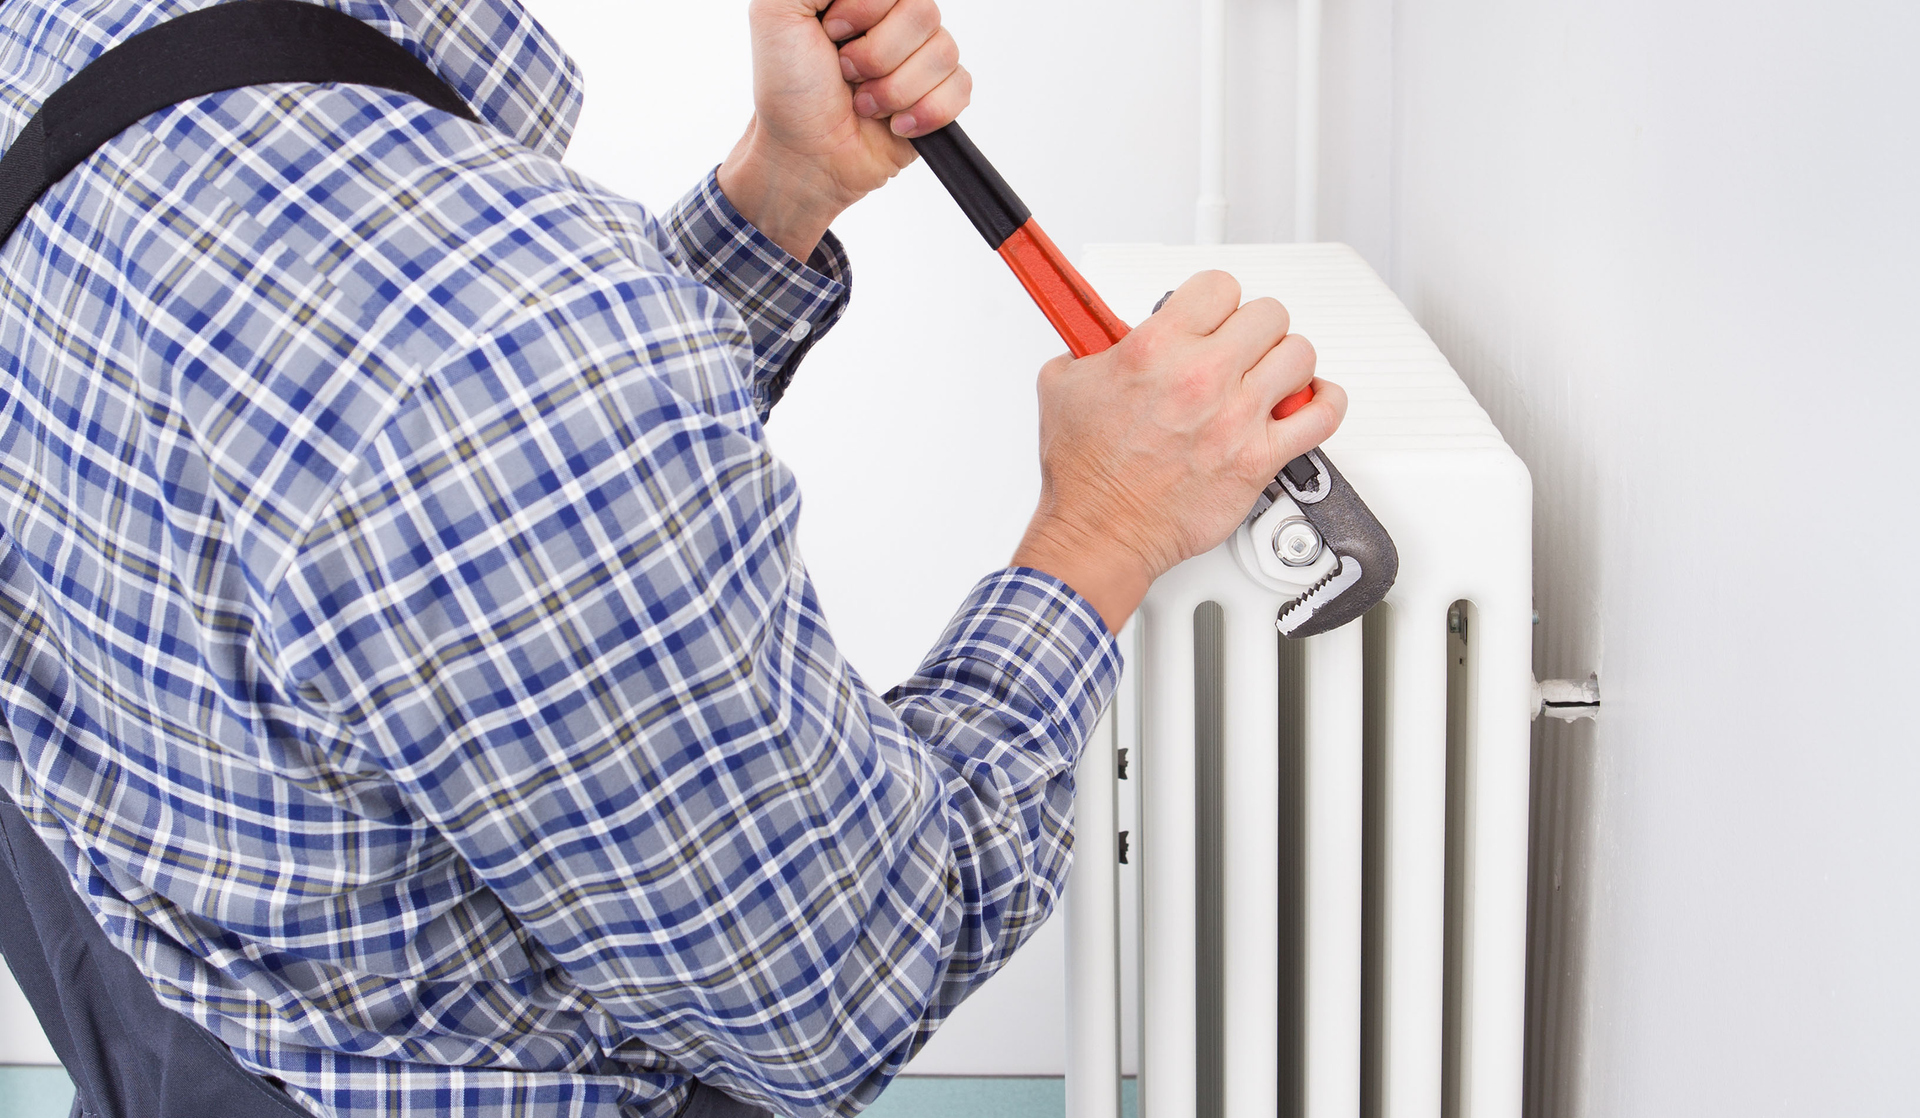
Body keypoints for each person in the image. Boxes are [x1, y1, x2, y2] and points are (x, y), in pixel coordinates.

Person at [0, 0, 1342, 1115]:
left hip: (156, 1006)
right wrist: (1107, 523)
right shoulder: (505, 341)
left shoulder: (53, 41)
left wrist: (783, 190)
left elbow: (440, 517)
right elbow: (839, 985)